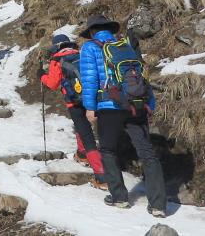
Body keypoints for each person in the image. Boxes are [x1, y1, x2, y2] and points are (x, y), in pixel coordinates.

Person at [79, 14, 167, 217]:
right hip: (136, 104)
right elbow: (142, 75)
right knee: (147, 152)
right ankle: (158, 205)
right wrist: (149, 104)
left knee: (108, 150)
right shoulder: (125, 45)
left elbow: (90, 80)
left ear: (92, 31)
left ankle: (119, 197)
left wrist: (90, 107)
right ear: (110, 29)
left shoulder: (90, 48)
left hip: (109, 106)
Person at [40, 33, 108, 190]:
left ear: (56, 46)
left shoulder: (57, 60)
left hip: (73, 102)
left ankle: (102, 177)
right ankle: (82, 154)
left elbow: (53, 84)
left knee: (86, 134)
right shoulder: (82, 53)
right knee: (85, 129)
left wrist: (42, 76)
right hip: (92, 98)